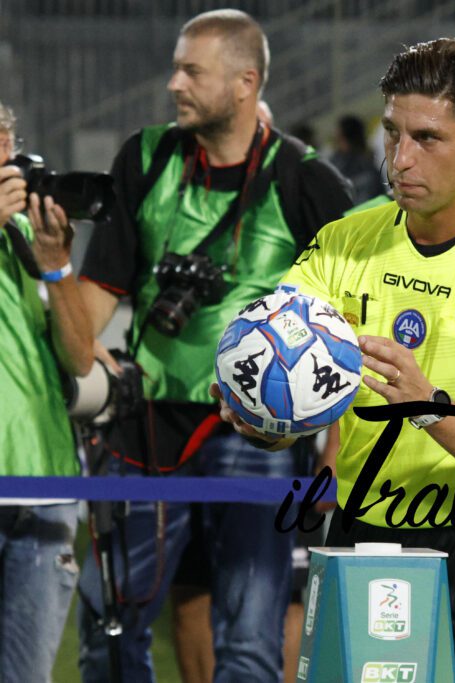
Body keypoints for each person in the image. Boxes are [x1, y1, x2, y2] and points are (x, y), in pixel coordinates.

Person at [213, 38, 455, 682]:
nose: (401, 159)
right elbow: (282, 367)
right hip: (361, 542)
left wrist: (428, 409)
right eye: (392, 134)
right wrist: (267, 416)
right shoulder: (342, 244)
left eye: (427, 138)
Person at [75, 10, 353, 681]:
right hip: (142, 425)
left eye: (191, 70)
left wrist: (335, 452)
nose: (174, 83)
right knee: (107, 627)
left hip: (257, 438)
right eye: (176, 67)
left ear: (244, 83)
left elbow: (345, 334)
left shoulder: (308, 180)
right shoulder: (144, 159)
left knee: (251, 640)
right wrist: (72, 362)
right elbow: (95, 295)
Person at [0, 102, 93, 682]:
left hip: (45, 484)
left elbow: (79, 355)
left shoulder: (26, 234)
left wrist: (58, 267)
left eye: (8, 158)